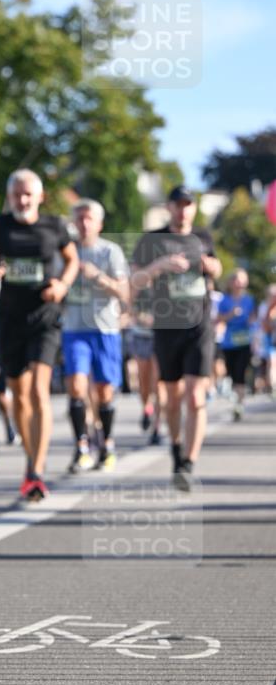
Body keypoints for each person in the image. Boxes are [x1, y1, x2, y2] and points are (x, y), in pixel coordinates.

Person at [0, 169, 79, 500]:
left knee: (38, 391)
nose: (22, 199)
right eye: (17, 194)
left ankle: (36, 470)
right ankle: (30, 457)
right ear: (10, 196)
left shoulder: (55, 227)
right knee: (18, 393)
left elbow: (71, 260)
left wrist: (62, 285)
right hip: (9, 319)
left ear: (40, 197)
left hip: (44, 317)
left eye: (28, 194)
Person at [131, 186, 222, 491]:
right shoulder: (152, 239)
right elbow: (134, 280)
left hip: (199, 326)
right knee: (171, 399)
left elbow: (218, 267)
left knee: (196, 396)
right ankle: (176, 447)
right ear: (169, 208)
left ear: (193, 209)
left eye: (188, 205)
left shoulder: (203, 237)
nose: (183, 210)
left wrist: (211, 267)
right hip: (167, 327)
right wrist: (160, 266)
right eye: (178, 205)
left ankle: (189, 463)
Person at [62, 200, 129, 473]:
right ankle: (81, 447)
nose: (83, 223)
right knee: (76, 387)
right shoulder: (66, 253)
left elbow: (124, 293)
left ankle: (108, 444)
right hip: (74, 329)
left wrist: (98, 277)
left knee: (103, 391)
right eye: (79, 218)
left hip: (104, 329)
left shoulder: (110, 252)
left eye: (89, 218)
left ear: (99, 224)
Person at [127, 287, 165, 445]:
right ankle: (146, 409)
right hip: (141, 337)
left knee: (158, 384)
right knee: (144, 383)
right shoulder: (138, 286)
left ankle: (157, 428)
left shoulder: (164, 284)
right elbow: (129, 309)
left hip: (161, 337)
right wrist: (142, 317)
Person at [216, 269, 255, 420]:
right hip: (229, 342)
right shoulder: (224, 300)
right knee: (232, 372)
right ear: (231, 282)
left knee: (240, 372)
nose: (239, 283)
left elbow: (253, 318)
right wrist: (231, 314)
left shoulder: (249, 300)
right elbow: (219, 319)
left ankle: (239, 404)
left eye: (242, 280)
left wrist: (252, 325)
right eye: (236, 280)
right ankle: (236, 397)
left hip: (245, 341)